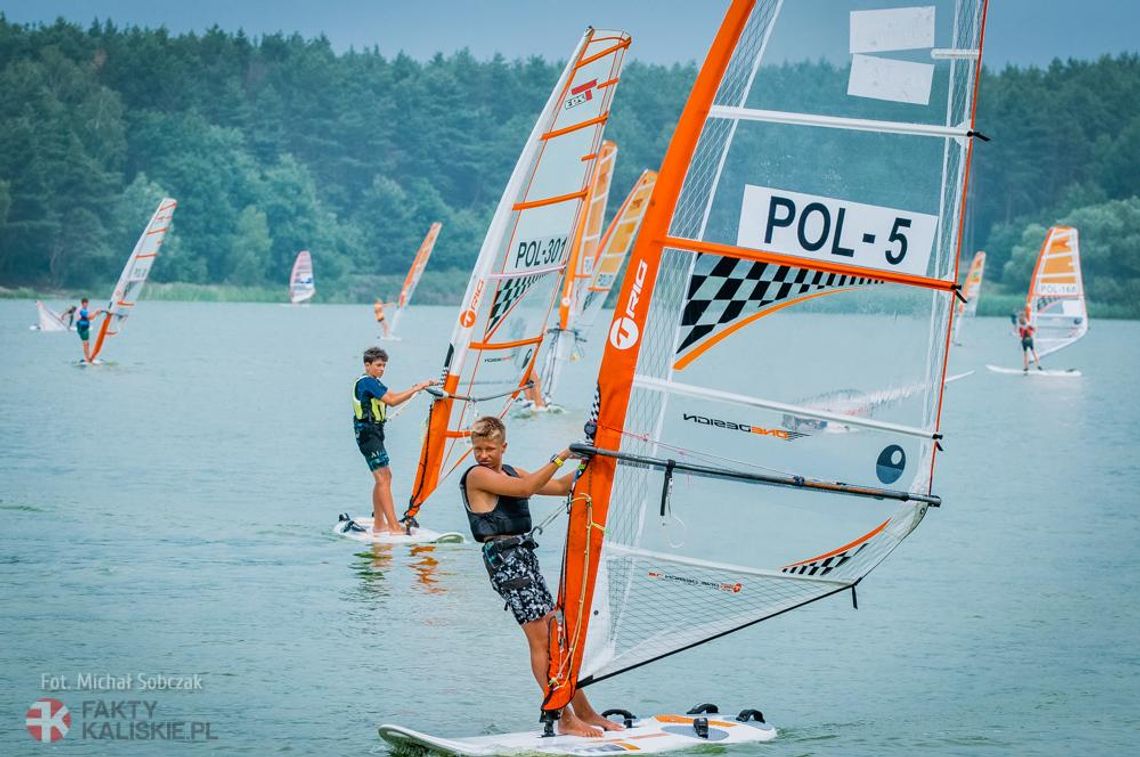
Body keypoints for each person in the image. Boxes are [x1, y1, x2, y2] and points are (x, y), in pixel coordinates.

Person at [460, 416, 620, 738]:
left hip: (523, 557)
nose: (483, 455)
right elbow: (525, 489)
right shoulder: (476, 476)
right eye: (477, 449)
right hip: (506, 561)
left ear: (503, 447)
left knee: (555, 634)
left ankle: (584, 711)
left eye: (490, 448)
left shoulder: (511, 471)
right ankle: (562, 715)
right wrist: (562, 455)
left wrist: (592, 458)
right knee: (541, 639)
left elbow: (561, 487)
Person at [353, 346, 437, 535]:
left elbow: (393, 395)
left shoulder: (374, 382)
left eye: (384, 366)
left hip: (374, 433)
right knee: (383, 478)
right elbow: (391, 401)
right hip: (367, 434)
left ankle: (379, 525)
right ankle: (392, 527)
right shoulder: (367, 382)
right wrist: (417, 387)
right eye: (378, 365)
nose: (382, 369)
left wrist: (419, 387)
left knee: (383, 477)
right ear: (367, 365)